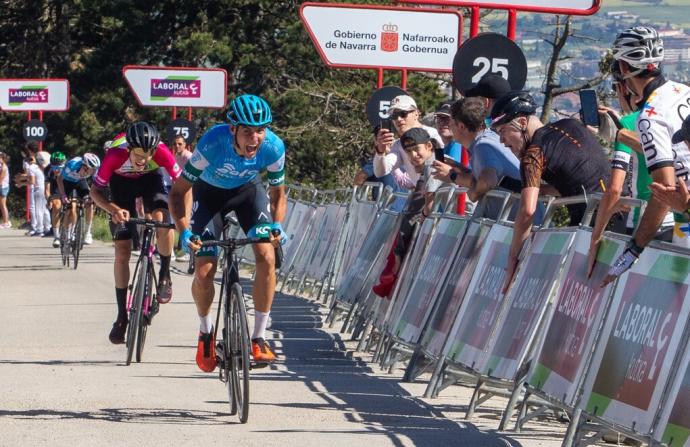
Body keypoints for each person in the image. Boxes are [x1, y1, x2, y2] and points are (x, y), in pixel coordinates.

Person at [169, 94, 286, 371]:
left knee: (267, 257)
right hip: (209, 197)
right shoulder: (212, 143)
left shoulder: (273, 147)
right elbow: (177, 194)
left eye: (260, 130)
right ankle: (206, 332)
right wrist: (184, 231)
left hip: (248, 194)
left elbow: (278, 195)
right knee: (204, 271)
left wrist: (278, 224)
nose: (255, 138)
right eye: (247, 131)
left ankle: (259, 336)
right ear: (233, 129)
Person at [490, 91, 610, 293]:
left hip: (591, 225)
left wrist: (513, 260)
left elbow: (527, 211)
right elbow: (577, 177)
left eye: (502, 131)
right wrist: (538, 190)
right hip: (618, 209)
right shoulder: (570, 125)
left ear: (521, 122)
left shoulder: (533, 154)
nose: (502, 141)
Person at [600, 26, 690, 286]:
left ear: (625, 68)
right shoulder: (682, 90)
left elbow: (664, 192)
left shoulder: (649, 117)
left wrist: (633, 250)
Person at [90, 122, 181, 344]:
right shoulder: (114, 155)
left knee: (161, 220)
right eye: (138, 153)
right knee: (122, 251)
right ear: (129, 148)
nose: (142, 159)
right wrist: (113, 210)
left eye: (148, 154)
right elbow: (95, 192)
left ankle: (165, 274)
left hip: (151, 181)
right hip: (121, 185)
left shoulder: (161, 153)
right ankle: (122, 316)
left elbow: (184, 186)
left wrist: (183, 219)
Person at [587, 61, 674, 276]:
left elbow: (614, 188)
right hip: (672, 218)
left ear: (623, 87)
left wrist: (595, 238)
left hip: (641, 222)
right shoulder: (664, 115)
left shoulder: (627, 125)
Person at [433, 97, 521, 219]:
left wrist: (471, 192)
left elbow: (488, 180)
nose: (450, 127)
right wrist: (461, 169)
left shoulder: (483, 146)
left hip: (512, 226)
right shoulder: (489, 138)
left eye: (451, 123)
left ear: (462, 127)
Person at [373, 94, 443, 189]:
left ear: (416, 114)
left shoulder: (432, 134)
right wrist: (380, 151)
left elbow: (441, 166)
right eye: (394, 116)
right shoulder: (398, 144)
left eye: (403, 114)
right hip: (425, 195)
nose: (398, 119)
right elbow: (380, 172)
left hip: (443, 195)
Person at [57, 153, 100, 245]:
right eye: (91, 170)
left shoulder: (94, 170)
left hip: (80, 182)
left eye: (94, 170)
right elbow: (59, 179)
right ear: (84, 166)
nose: (92, 172)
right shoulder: (72, 165)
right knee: (68, 208)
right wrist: (63, 194)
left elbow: (95, 184)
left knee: (89, 204)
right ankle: (67, 232)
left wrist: (92, 197)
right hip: (67, 182)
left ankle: (88, 233)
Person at [171, 135, 193, 262]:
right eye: (175, 144)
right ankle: (179, 249)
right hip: (179, 191)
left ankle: (188, 252)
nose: (177, 146)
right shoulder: (175, 157)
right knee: (179, 220)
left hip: (190, 191)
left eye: (179, 144)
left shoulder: (188, 157)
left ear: (185, 144)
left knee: (187, 220)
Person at [45, 151, 67, 245]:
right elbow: (46, 189)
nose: (56, 169)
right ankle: (56, 236)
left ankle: (72, 229)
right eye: (54, 167)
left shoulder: (68, 168)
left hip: (68, 186)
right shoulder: (48, 170)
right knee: (56, 205)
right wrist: (49, 199)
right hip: (55, 188)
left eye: (59, 167)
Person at [0, 152, 10, 228]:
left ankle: (6, 222)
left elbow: (1, 178)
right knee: (2, 204)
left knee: (3, 205)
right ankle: (5, 221)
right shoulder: (2, 166)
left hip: (3, 187)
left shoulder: (4, 167)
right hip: (3, 186)